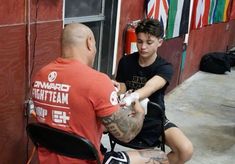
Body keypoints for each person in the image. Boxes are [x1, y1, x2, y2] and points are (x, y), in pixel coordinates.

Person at [31, 23, 168, 164]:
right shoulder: (97, 80)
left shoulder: (40, 75)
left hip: (49, 158)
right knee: (160, 157)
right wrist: (139, 113)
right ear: (89, 42)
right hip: (88, 160)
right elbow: (127, 134)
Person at [115, 18, 193, 164]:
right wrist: (114, 87)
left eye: (149, 42)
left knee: (185, 149)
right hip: (127, 116)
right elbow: (123, 86)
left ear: (160, 42)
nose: (143, 47)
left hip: (154, 119)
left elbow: (150, 87)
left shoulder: (165, 67)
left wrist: (132, 97)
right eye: (139, 41)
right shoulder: (126, 61)